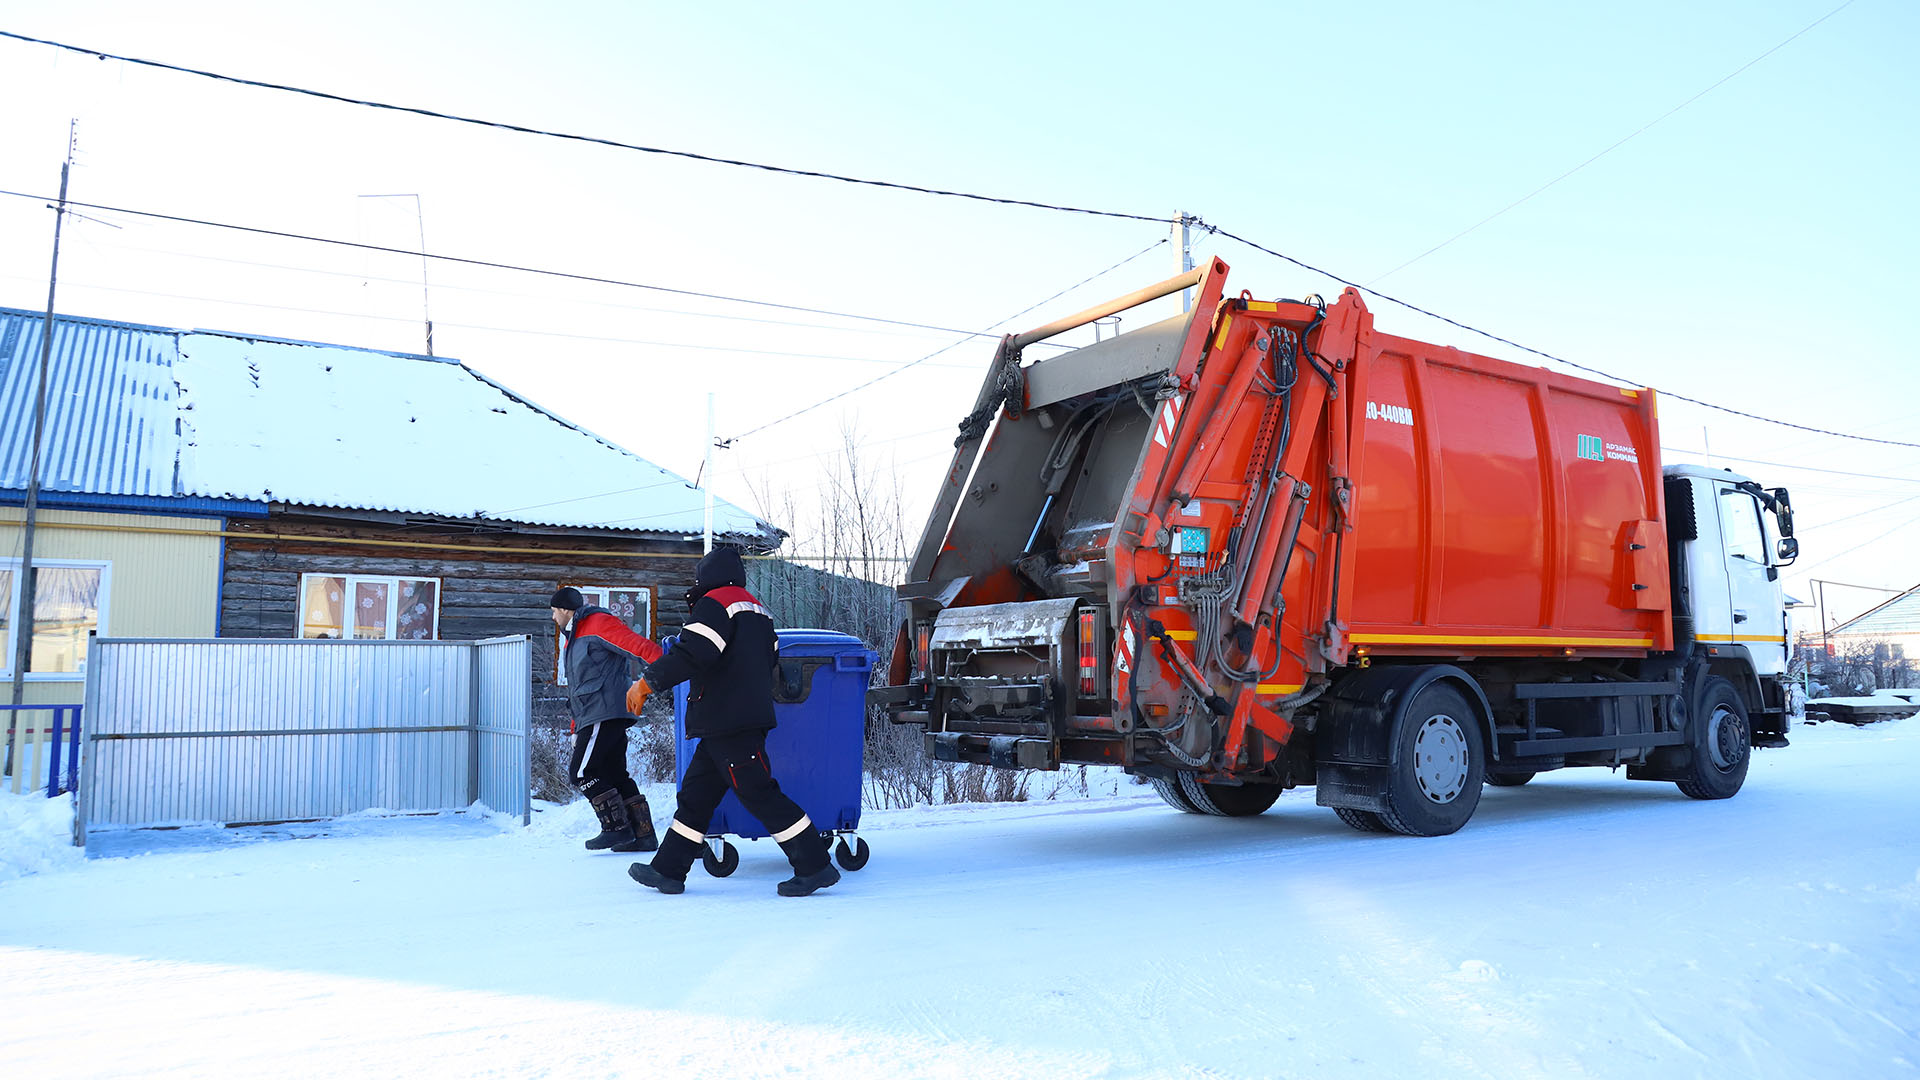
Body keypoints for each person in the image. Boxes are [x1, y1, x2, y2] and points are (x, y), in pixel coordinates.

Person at [625, 544, 839, 897]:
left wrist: (647, 683)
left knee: (758, 793)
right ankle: (668, 870)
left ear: (705, 578)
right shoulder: (758, 610)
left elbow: (691, 653)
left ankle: (814, 864)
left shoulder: (716, 604)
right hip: (733, 720)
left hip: (729, 721)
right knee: (696, 796)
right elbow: (768, 663)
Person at [550, 586, 663, 853]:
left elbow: (638, 646)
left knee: (581, 773)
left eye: (554, 612)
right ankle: (643, 836)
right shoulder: (575, 636)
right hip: (594, 714)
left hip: (604, 711)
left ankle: (615, 829)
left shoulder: (598, 623)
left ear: (566, 610)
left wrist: (666, 671)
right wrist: (576, 726)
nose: (553, 618)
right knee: (614, 774)